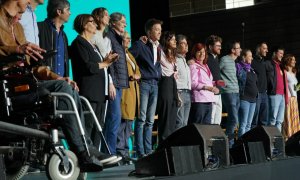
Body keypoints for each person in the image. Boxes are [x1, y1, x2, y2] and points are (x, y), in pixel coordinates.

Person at [0, 0, 115, 171]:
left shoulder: (18, 28)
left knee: (68, 89)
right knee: (64, 91)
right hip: (10, 87)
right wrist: (15, 50)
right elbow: (15, 54)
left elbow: (34, 66)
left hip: (27, 83)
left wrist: (59, 77)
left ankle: (87, 149)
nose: (28, 7)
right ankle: (83, 152)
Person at [70, 14, 122, 166]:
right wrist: (105, 63)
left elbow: (99, 65)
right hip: (89, 91)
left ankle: (97, 157)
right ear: (84, 24)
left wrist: (108, 60)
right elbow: (89, 67)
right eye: (92, 22)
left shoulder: (91, 44)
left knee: (98, 125)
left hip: (99, 92)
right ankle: (86, 157)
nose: (95, 24)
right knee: (88, 125)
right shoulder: (78, 43)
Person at [129, 18, 162, 158]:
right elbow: (128, 56)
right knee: (141, 119)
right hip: (144, 84)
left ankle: (148, 150)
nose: (159, 32)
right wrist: (137, 74)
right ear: (149, 32)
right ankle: (140, 151)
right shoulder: (140, 44)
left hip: (155, 84)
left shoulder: (159, 47)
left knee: (150, 120)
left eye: (160, 30)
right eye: (156, 29)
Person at [104, 12, 129, 155]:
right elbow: (107, 63)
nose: (125, 24)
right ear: (113, 23)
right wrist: (111, 82)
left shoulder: (118, 39)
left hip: (119, 84)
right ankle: (110, 154)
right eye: (122, 22)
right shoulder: (109, 38)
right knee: (113, 119)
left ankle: (109, 153)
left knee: (115, 119)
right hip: (113, 85)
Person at [116, 31, 141, 163]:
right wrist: (132, 76)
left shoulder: (130, 55)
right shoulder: (119, 55)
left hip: (133, 93)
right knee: (122, 124)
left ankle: (125, 152)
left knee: (128, 125)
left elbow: (138, 71)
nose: (128, 40)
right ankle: (120, 153)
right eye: (126, 38)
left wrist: (137, 76)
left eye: (129, 38)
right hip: (125, 93)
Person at [37, 0, 70, 77]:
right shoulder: (38, 28)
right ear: (59, 11)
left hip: (62, 83)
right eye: (68, 9)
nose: (70, 13)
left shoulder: (63, 35)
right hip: (44, 82)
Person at [156, 31, 178, 142]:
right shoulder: (160, 52)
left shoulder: (173, 55)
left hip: (173, 84)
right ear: (167, 40)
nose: (175, 41)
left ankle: (171, 142)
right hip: (165, 83)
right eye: (172, 39)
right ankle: (163, 143)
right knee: (165, 115)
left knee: (173, 116)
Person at [189, 43, 218, 124]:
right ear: (194, 53)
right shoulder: (193, 65)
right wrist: (208, 88)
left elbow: (208, 81)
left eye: (203, 52)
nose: (202, 54)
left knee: (206, 128)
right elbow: (193, 83)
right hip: (200, 101)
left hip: (209, 100)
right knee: (198, 127)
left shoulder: (206, 65)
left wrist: (216, 84)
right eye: (199, 52)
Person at [219, 40, 240, 144]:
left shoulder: (234, 62)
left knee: (234, 120)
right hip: (228, 92)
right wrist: (224, 85)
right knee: (233, 119)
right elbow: (216, 74)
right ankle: (229, 144)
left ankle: (229, 143)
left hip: (236, 92)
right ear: (233, 50)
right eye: (238, 48)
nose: (240, 50)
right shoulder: (224, 59)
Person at [236, 49, 258, 137]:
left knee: (249, 124)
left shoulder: (252, 69)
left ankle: (246, 143)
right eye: (250, 56)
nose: (252, 58)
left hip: (253, 100)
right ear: (244, 57)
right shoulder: (238, 67)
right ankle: (240, 145)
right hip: (244, 99)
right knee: (243, 124)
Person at [265, 46, 288, 131]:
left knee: (279, 121)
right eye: (280, 53)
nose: (282, 55)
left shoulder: (281, 65)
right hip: (274, 94)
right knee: (272, 119)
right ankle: (270, 140)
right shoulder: (268, 63)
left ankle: (277, 141)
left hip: (282, 95)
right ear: (275, 53)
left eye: (283, 54)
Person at [205, 35, 223, 125]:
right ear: (210, 46)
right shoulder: (206, 58)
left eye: (220, 46)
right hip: (210, 93)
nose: (220, 48)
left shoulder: (216, 58)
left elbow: (217, 76)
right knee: (211, 120)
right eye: (218, 46)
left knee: (217, 120)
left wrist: (222, 86)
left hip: (219, 93)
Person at [251, 42, 269, 128]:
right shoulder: (252, 62)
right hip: (257, 94)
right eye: (264, 48)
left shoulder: (264, 62)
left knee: (264, 119)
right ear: (259, 49)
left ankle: (263, 139)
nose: (267, 51)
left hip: (264, 93)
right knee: (254, 119)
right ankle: (252, 140)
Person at [282, 54, 300, 139]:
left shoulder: (293, 73)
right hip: (288, 98)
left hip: (294, 99)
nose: (294, 61)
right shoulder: (285, 72)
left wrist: (298, 84)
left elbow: (296, 88)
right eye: (293, 60)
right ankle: (287, 137)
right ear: (288, 61)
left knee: (294, 120)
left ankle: (294, 138)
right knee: (288, 119)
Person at [175, 34, 191, 129]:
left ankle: (182, 143)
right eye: (183, 43)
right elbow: (174, 78)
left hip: (187, 93)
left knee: (185, 123)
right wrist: (177, 94)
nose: (186, 45)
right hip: (180, 92)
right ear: (176, 45)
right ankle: (177, 144)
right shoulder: (175, 59)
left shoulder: (184, 60)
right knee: (179, 122)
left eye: (186, 43)